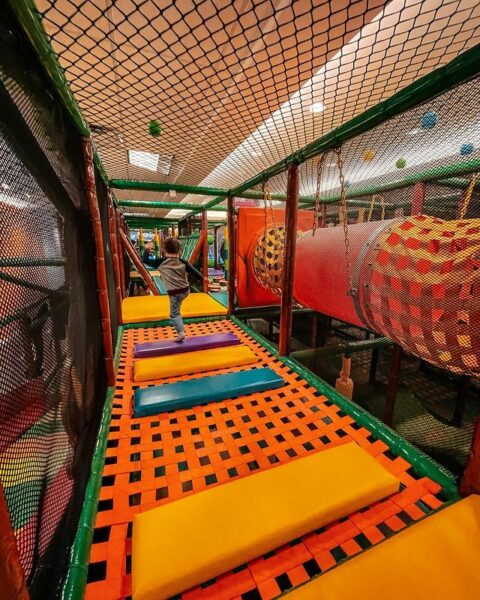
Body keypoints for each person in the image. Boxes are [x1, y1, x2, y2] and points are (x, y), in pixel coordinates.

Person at [143, 237, 202, 342]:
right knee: (178, 307)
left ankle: (181, 333)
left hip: (175, 293)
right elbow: (195, 273)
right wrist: (204, 279)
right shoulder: (183, 262)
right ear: (179, 250)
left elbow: (145, 260)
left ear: (164, 250)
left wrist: (147, 249)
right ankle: (179, 322)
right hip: (186, 290)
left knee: (174, 314)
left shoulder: (160, 262)